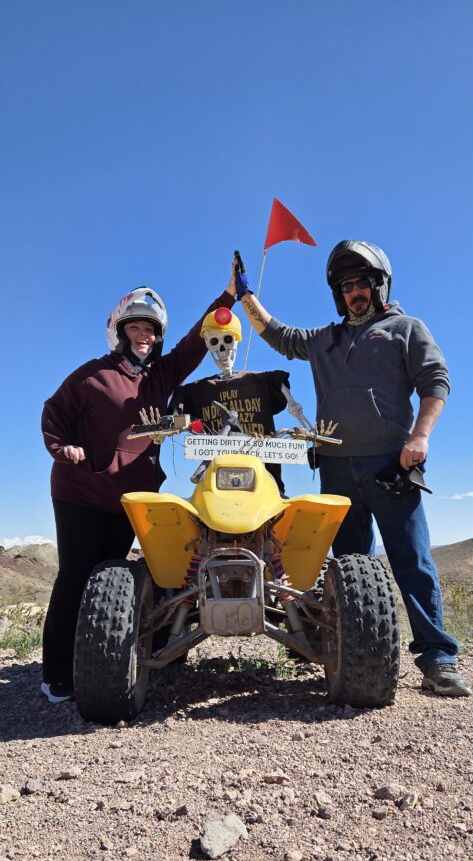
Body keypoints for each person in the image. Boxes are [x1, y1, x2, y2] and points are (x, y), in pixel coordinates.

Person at [234, 240, 471, 697]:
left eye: (362, 283)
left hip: (391, 464)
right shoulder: (327, 339)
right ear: (337, 294)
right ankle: (348, 649)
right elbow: (278, 335)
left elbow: (435, 382)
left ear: (379, 285)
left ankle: (438, 659)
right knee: (348, 566)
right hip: (336, 470)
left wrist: (419, 437)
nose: (354, 292)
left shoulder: (406, 328)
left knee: (412, 560)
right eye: (345, 286)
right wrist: (245, 295)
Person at [41, 279, 235, 703]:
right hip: (81, 491)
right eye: (135, 328)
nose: (144, 335)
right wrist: (63, 448)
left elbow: (194, 344)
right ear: (119, 331)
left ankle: (96, 663)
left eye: (150, 329)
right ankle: (56, 672)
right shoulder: (93, 375)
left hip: (129, 499)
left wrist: (228, 296)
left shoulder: (160, 376)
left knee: (111, 581)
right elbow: (53, 412)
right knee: (76, 577)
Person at [170, 305, 291, 494]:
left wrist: (305, 425)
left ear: (236, 341)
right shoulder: (194, 391)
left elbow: (289, 399)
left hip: (265, 481)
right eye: (214, 342)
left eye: (227, 340)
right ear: (207, 345)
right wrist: (171, 424)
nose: (222, 348)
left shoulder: (266, 381)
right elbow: (175, 416)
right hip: (215, 482)